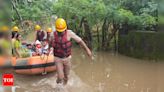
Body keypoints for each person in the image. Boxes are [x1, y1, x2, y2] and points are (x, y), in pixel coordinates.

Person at [50, 18, 92, 85]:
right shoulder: (53, 35)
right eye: (59, 31)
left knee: (66, 76)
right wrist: (49, 49)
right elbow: (50, 43)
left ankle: (64, 86)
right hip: (58, 58)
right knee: (61, 77)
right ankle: (57, 85)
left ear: (65, 29)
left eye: (62, 31)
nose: (60, 33)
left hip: (67, 58)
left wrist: (87, 50)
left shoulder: (69, 33)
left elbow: (80, 41)